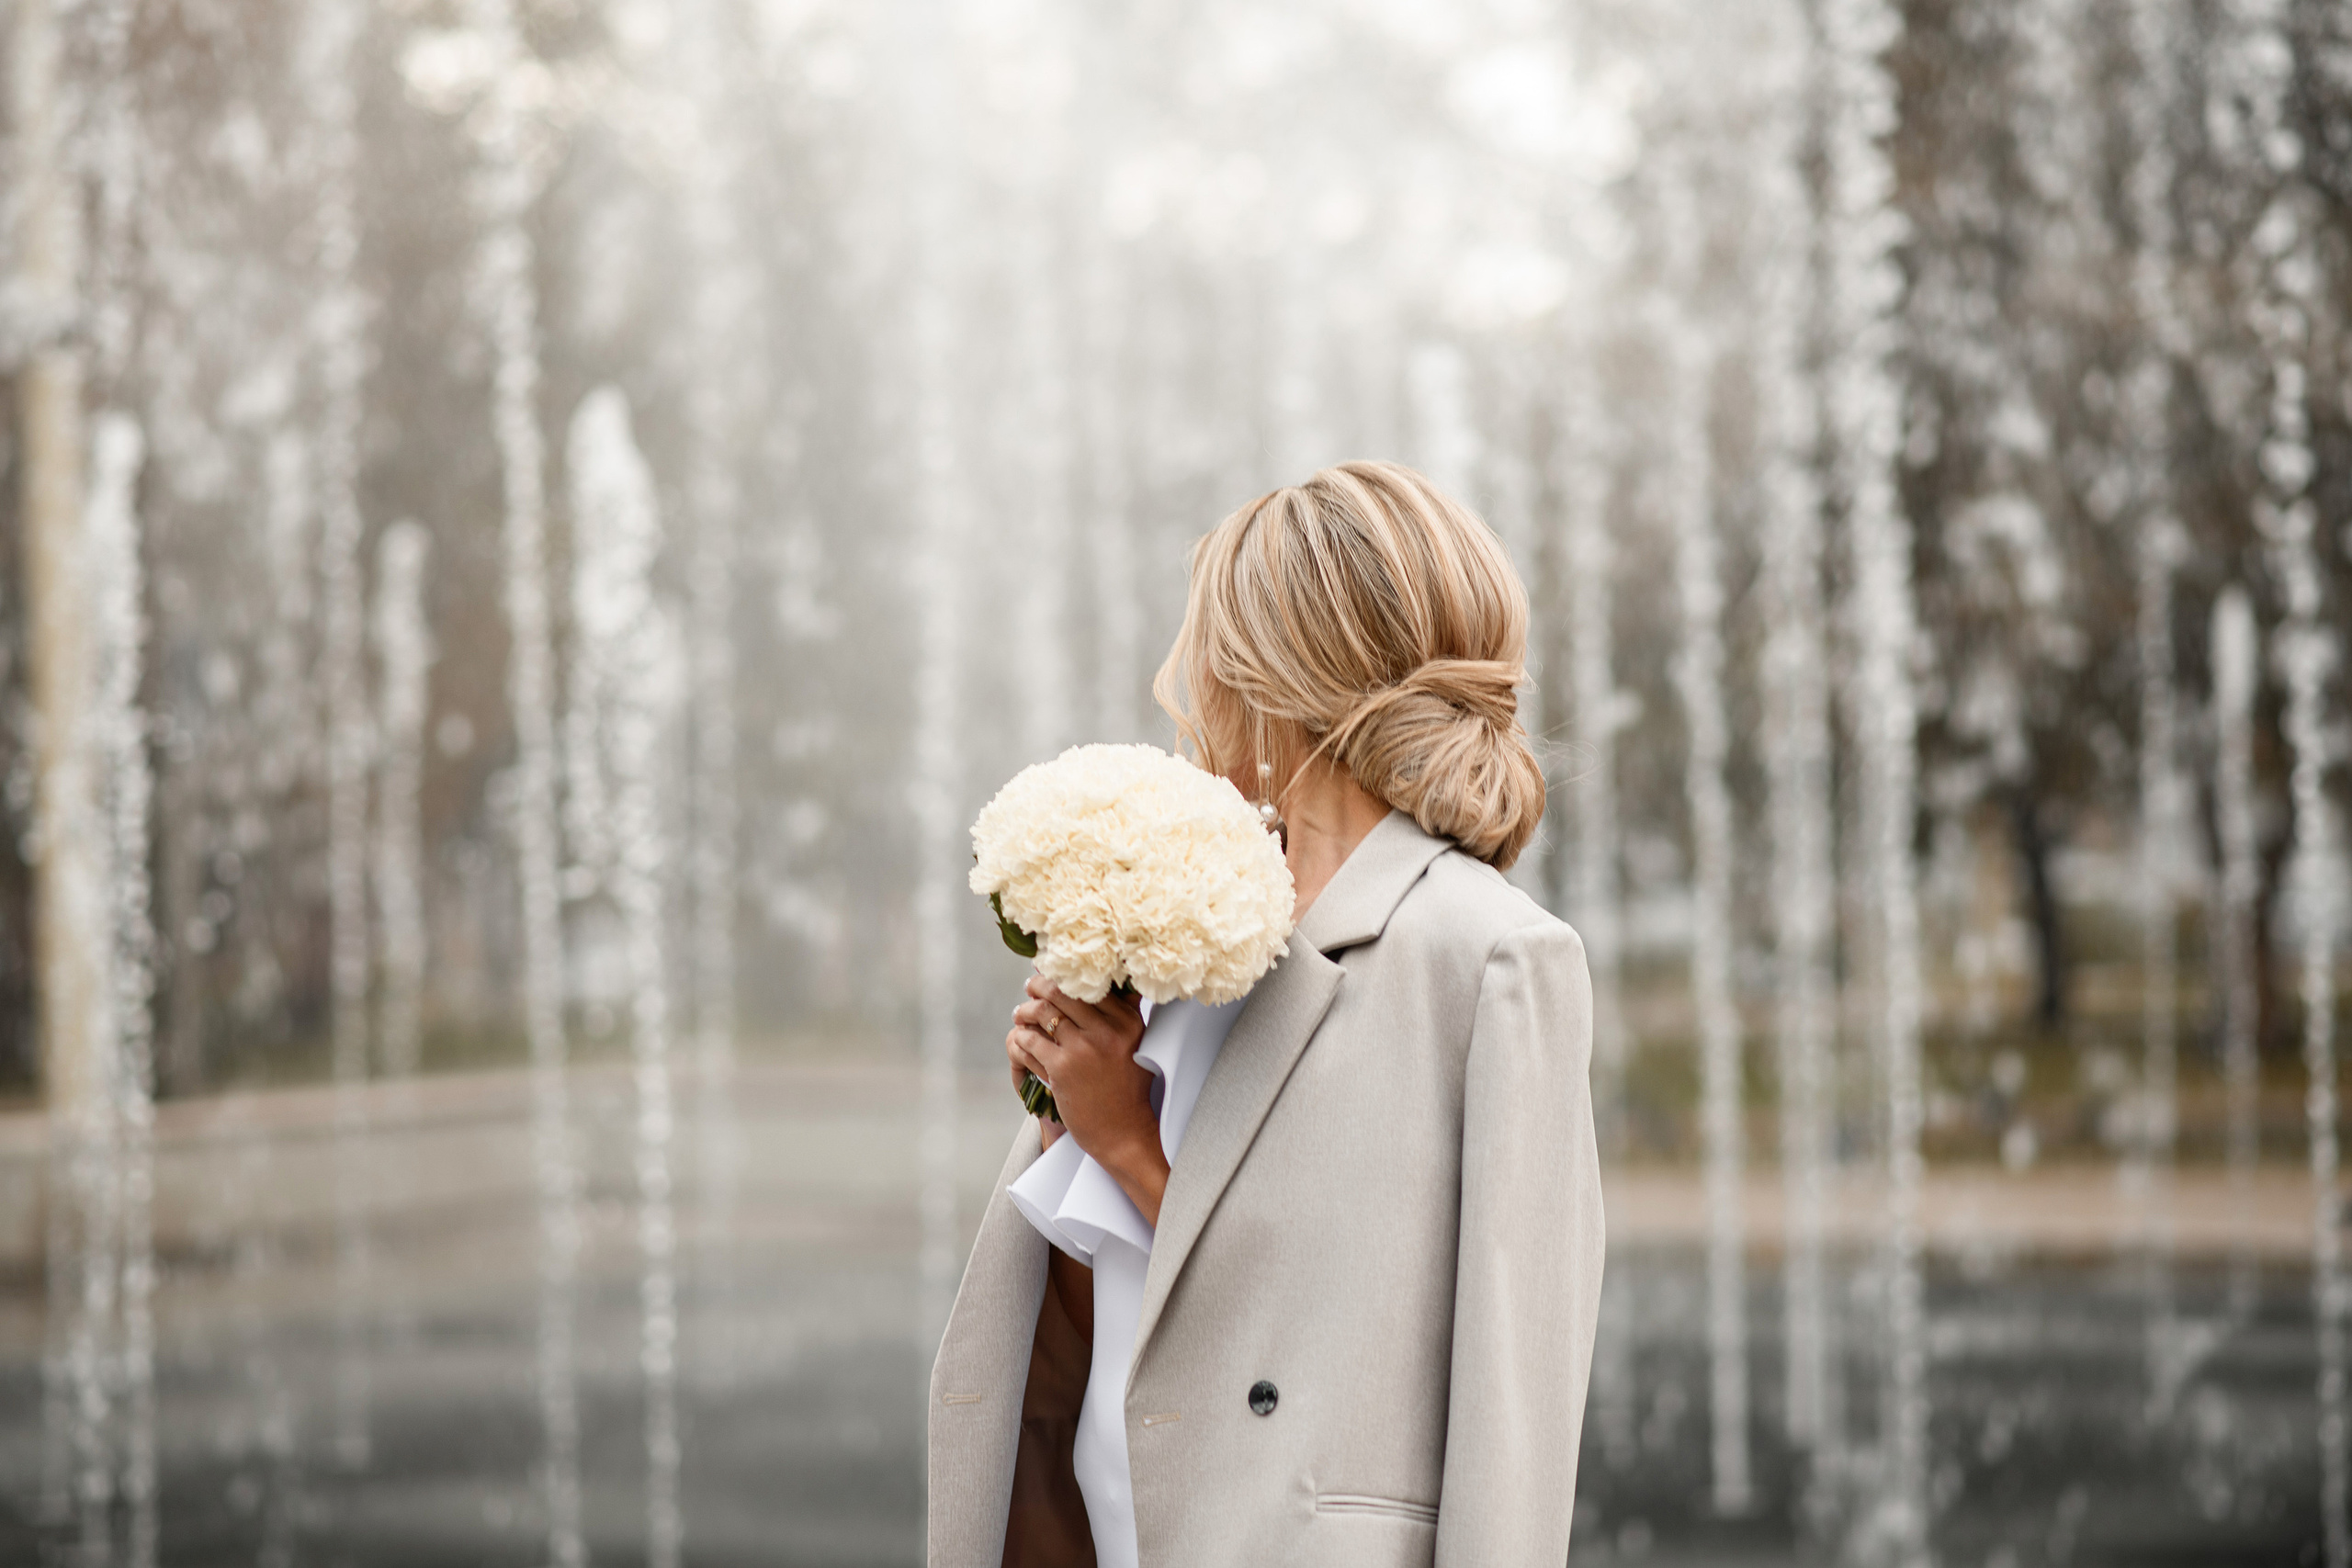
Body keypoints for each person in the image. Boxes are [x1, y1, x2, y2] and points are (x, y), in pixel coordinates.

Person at [930, 461, 1605, 1567]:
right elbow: (1103, 1329)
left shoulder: (1492, 959)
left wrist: (1131, 1148)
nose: (1187, 682)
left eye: (1212, 644)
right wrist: (1063, 1115)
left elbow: (1499, 1407)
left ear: (1279, 669)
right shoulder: (1183, 931)